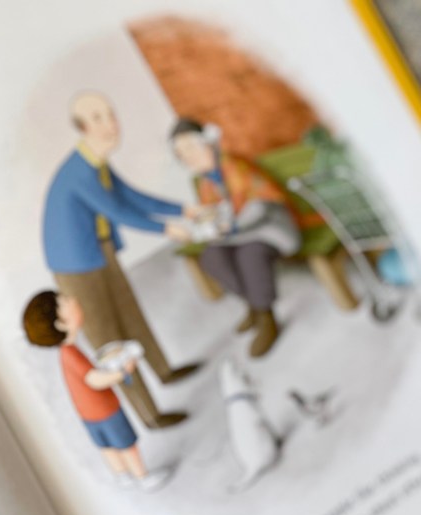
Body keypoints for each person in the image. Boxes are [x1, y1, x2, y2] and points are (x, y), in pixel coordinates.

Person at [42, 92, 203, 429]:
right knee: (110, 339)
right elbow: (118, 211)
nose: (110, 124)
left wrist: (183, 210)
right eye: (97, 118)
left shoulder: (97, 164)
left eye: (110, 114)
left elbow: (130, 197)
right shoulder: (79, 172)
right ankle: (150, 415)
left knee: (130, 314)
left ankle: (164, 370)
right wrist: (167, 228)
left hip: (100, 249)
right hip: (75, 265)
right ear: (82, 127)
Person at [170, 117, 301, 358]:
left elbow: (261, 205)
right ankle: (252, 303)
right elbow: (212, 212)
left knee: (249, 254)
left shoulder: (234, 165)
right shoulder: (206, 180)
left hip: (267, 229)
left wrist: (230, 227)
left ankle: (266, 316)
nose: (187, 156)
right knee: (212, 256)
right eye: (181, 152)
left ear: (206, 142)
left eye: (190, 147)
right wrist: (208, 226)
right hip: (237, 233)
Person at [23, 291, 173, 492]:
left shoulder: (67, 352)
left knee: (107, 446)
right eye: (65, 301)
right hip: (104, 409)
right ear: (61, 323)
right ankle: (142, 477)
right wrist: (122, 372)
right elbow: (94, 380)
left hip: (88, 413)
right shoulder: (71, 353)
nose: (73, 299)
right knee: (126, 444)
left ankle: (122, 475)